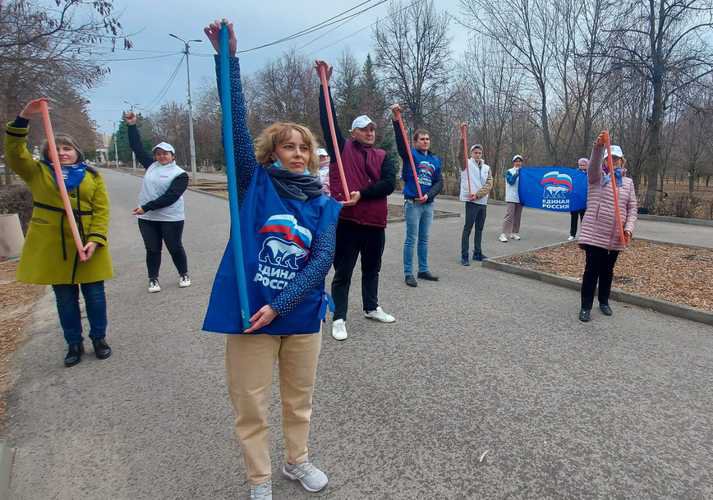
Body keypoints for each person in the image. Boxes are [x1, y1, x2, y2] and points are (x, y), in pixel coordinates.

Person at [202, 21, 341, 500]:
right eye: (289, 146)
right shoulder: (252, 184)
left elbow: (322, 258)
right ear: (273, 152)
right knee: (251, 404)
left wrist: (282, 304)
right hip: (249, 313)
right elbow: (236, 129)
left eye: (305, 147)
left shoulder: (325, 203)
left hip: (298, 313)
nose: (299, 153)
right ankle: (259, 479)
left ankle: (296, 462)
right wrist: (228, 62)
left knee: (298, 401)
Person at [5, 98, 113, 367]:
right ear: (48, 152)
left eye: (68, 148)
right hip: (55, 247)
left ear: (77, 152)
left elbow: (101, 211)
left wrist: (96, 240)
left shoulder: (91, 176)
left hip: (89, 245)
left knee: (96, 298)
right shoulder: (38, 173)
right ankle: (73, 344)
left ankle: (99, 338)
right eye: (58, 148)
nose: (63, 152)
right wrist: (24, 118)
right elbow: (15, 152)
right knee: (65, 300)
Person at [316, 59, 397, 341]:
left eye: (372, 129)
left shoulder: (383, 156)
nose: (370, 133)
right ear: (353, 132)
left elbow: (389, 184)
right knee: (343, 272)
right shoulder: (341, 148)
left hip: (375, 223)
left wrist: (363, 193)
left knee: (372, 269)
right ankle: (339, 317)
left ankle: (371, 307)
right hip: (348, 222)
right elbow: (328, 120)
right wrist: (325, 86)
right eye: (364, 129)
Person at [124, 112, 190, 293]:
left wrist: (146, 207)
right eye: (158, 154)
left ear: (172, 155)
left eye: (165, 154)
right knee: (152, 249)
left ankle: (183, 273)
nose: (161, 156)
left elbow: (171, 197)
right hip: (147, 218)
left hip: (171, 217)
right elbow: (136, 147)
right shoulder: (151, 166)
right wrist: (131, 126)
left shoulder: (180, 174)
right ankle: (153, 279)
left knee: (174, 247)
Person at [578, 133, 637, 322]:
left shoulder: (627, 183)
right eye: (610, 158)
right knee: (591, 271)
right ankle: (585, 306)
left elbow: (632, 208)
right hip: (596, 234)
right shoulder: (597, 177)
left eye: (617, 159)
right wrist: (598, 147)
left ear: (622, 161)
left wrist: (628, 229)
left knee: (607, 271)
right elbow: (593, 165)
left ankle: (604, 301)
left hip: (616, 236)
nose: (614, 161)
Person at [390, 104, 443, 286]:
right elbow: (400, 143)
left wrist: (429, 196)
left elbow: (439, 182)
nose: (425, 141)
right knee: (411, 238)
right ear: (415, 142)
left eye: (427, 139)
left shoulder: (435, 160)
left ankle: (423, 269)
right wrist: (397, 120)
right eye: (422, 139)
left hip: (427, 204)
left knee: (424, 238)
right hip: (413, 203)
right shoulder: (411, 155)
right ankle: (408, 273)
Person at [459, 142, 492, 265]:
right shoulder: (466, 164)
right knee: (468, 228)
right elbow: (460, 155)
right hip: (471, 202)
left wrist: (478, 195)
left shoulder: (486, 168)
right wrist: (463, 139)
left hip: (482, 202)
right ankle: (464, 255)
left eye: (479, 153)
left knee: (479, 228)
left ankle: (477, 253)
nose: (477, 155)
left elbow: (489, 184)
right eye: (475, 152)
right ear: (471, 153)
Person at [500, 155, 525, 242]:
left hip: (520, 197)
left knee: (517, 216)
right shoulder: (509, 171)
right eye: (516, 161)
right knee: (509, 216)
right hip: (511, 197)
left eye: (520, 161)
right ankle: (503, 234)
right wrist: (516, 174)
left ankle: (514, 233)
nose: (518, 163)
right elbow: (510, 181)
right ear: (513, 162)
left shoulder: (524, 172)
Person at [568, 157, 589, 241]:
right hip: (575, 200)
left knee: (584, 219)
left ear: (587, 165)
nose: (581, 166)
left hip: (584, 201)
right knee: (574, 218)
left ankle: (584, 235)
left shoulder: (590, 174)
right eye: (580, 165)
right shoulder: (575, 173)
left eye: (583, 165)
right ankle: (572, 234)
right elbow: (571, 184)